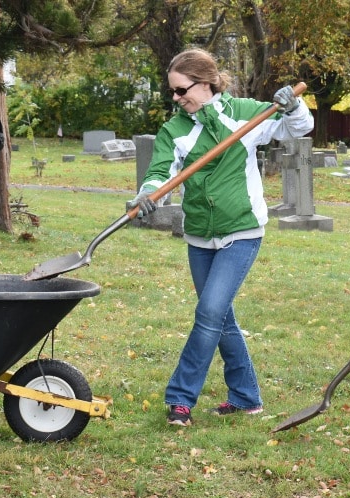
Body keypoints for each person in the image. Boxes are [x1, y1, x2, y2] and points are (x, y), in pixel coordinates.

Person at [128, 48, 314, 427]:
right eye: (174, 93)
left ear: (206, 81)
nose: (177, 99)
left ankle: (181, 399)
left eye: (182, 91)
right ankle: (246, 397)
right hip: (199, 235)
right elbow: (160, 172)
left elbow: (299, 128)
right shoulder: (174, 129)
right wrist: (147, 194)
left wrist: (291, 107)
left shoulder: (246, 113)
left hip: (241, 232)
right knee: (221, 316)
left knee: (210, 312)